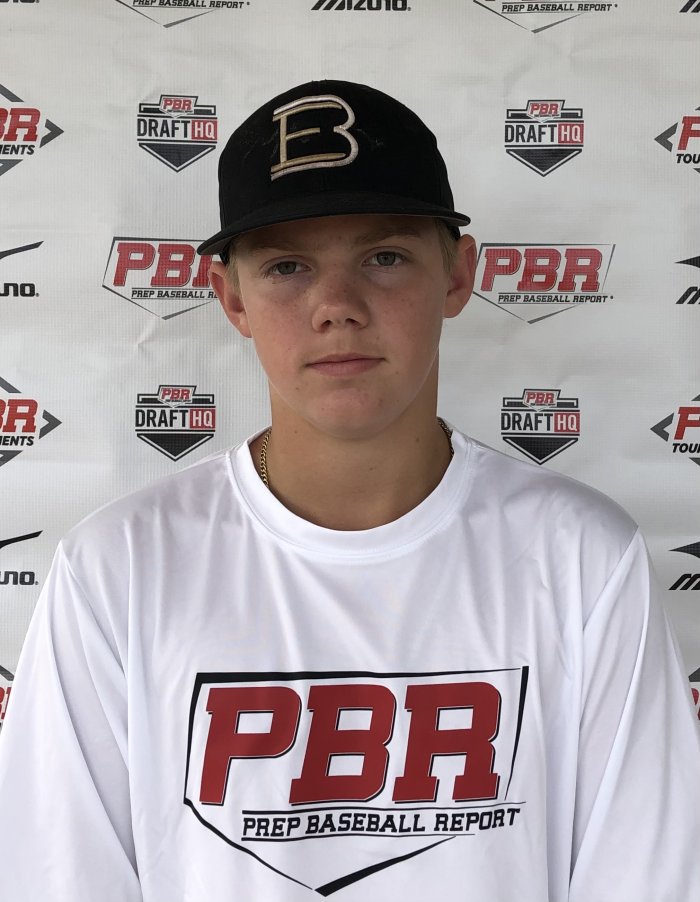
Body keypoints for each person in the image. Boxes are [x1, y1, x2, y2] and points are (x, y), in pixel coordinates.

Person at [0, 79, 698, 902]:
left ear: (457, 276)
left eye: (384, 258)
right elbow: (61, 876)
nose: (337, 307)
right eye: (287, 266)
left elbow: (644, 878)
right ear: (231, 297)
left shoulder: (580, 555)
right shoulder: (119, 566)